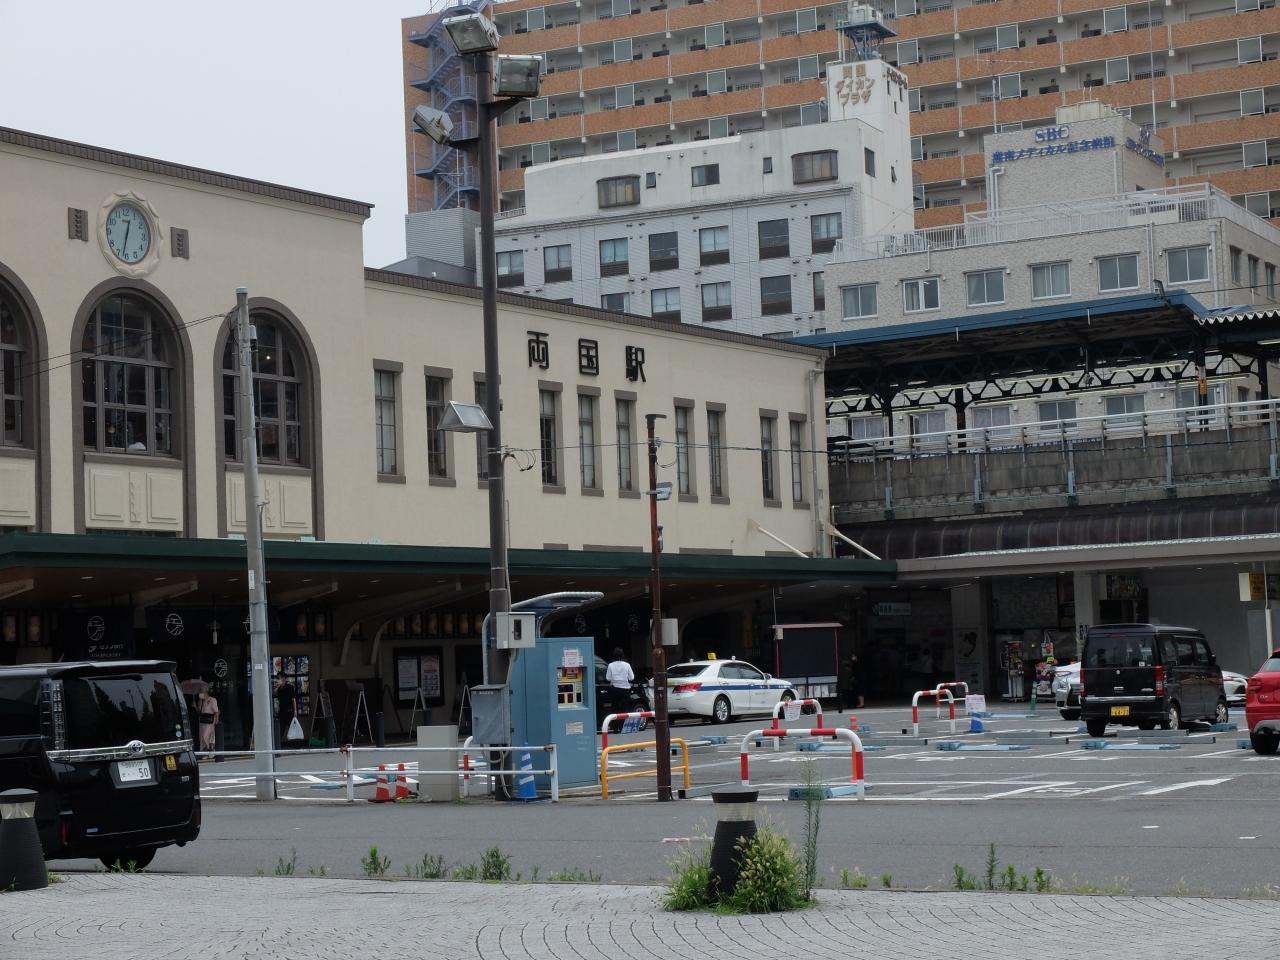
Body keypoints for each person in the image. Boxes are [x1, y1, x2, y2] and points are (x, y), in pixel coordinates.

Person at [604, 647, 634, 718]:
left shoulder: (610, 665)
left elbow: (608, 678)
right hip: (625, 690)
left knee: (615, 708)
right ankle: (623, 723)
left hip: (615, 689)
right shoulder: (627, 665)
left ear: (614, 655)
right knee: (625, 708)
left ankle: (616, 724)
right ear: (622, 655)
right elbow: (631, 677)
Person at [274, 673, 299, 750]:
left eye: (279, 678)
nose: (278, 680)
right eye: (277, 678)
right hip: (282, 712)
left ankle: (297, 746)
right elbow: (278, 700)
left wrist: (295, 711)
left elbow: (293, 699)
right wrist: (276, 687)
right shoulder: (279, 689)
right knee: (280, 730)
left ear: (284, 679)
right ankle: (277, 746)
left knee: (293, 728)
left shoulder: (290, 687)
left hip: (289, 711)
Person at [195, 686, 220, 754]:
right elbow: (199, 712)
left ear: (206, 692)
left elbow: (216, 711)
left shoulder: (212, 700)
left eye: (201, 692)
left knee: (207, 736)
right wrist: (195, 706)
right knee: (202, 737)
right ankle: (205, 752)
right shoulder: (201, 700)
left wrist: (217, 719)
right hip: (202, 722)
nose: (200, 693)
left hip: (210, 721)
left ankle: (211, 751)